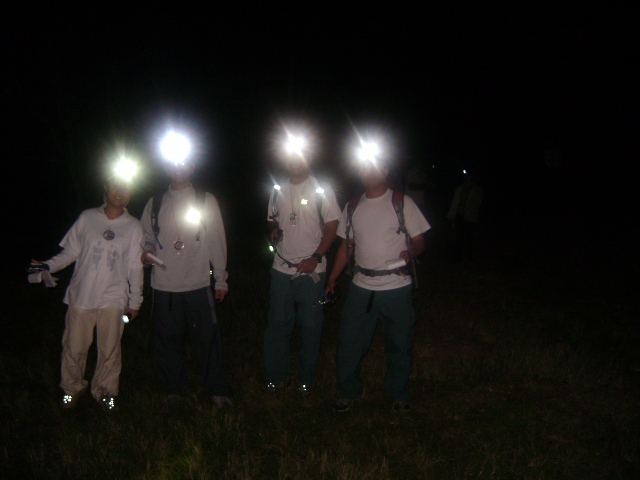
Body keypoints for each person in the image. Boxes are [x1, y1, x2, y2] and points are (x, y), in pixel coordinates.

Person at [325, 157, 430, 412]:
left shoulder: (402, 202)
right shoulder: (351, 206)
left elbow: (419, 240)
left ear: (384, 171)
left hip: (397, 287)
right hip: (361, 287)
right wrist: (332, 278)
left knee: (400, 344)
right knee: (350, 343)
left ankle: (398, 393)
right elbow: (346, 247)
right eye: (363, 167)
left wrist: (411, 253)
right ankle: (349, 390)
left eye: (374, 168)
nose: (368, 172)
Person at [32, 174, 144, 411]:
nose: (120, 191)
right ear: (106, 188)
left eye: (125, 187)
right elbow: (71, 251)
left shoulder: (134, 226)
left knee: (110, 349)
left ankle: (105, 392)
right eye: (116, 185)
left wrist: (135, 300)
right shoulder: (87, 217)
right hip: (82, 294)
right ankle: (71, 390)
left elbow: (135, 265)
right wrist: (48, 266)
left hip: (114, 296)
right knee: (74, 346)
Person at [140, 151, 232, 408]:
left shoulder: (205, 200)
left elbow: (216, 241)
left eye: (183, 162)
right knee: (167, 340)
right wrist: (145, 251)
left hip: (198, 283)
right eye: (173, 162)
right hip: (164, 284)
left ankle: (218, 390)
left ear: (192, 167)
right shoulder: (155, 202)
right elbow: (146, 235)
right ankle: (174, 390)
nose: (178, 167)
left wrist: (221, 279)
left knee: (207, 339)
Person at [265, 143, 341, 396]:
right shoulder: (277, 189)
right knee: (278, 325)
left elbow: (332, 228)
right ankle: (277, 377)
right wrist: (275, 230)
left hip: (311, 271)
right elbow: (275, 219)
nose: (296, 160)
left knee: (310, 327)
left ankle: (306, 381)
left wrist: (316, 257)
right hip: (281, 268)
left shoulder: (323, 189)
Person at [447, 170, 483, 262]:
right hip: (460, 214)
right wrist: (451, 215)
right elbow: (455, 202)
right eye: (466, 176)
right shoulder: (460, 188)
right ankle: (457, 256)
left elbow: (477, 204)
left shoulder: (476, 189)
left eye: (469, 176)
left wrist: (470, 212)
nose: (467, 178)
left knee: (469, 236)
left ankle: (469, 256)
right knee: (459, 236)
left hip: (470, 216)